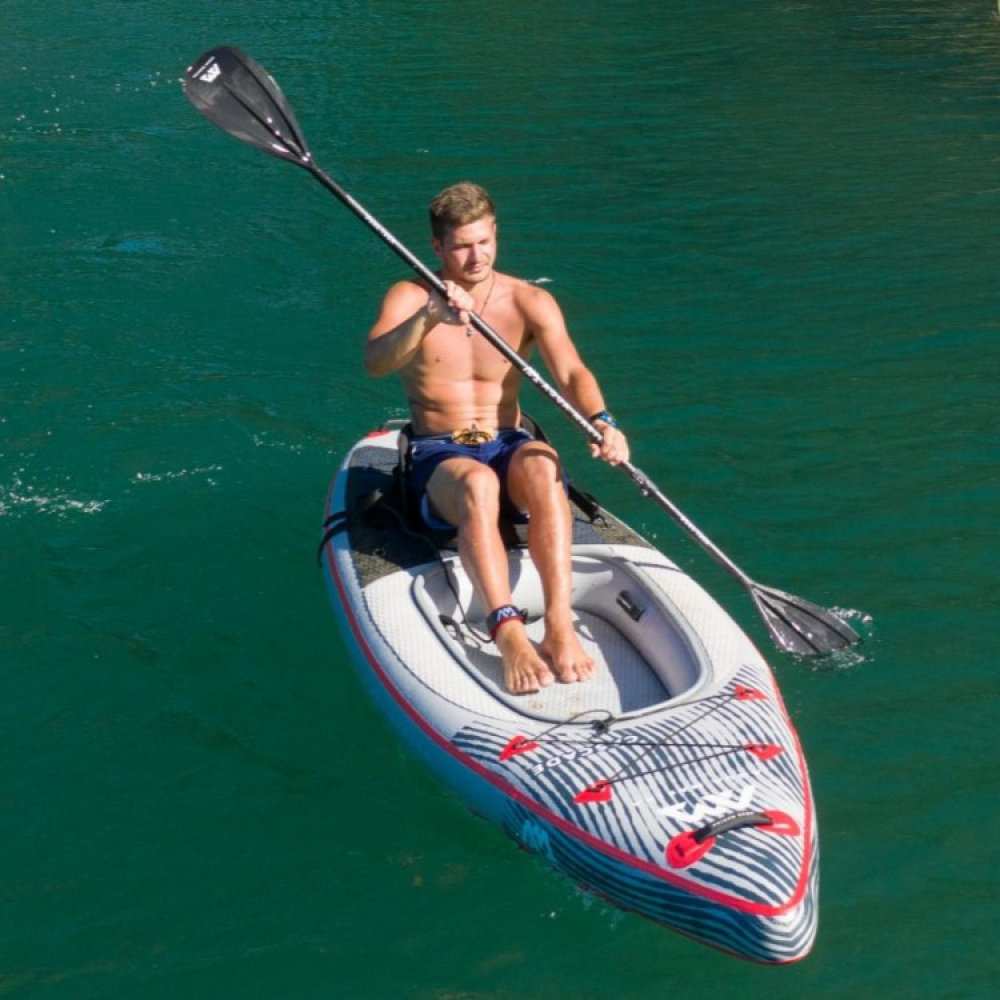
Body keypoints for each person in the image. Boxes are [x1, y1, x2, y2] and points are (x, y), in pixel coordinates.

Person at [365, 182, 629, 695]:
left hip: (506, 438)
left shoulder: (528, 300)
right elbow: (376, 362)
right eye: (462, 245)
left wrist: (603, 421)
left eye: (485, 241)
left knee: (544, 466)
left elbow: (571, 371)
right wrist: (426, 320)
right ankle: (508, 633)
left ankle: (556, 625)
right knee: (477, 485)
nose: (476, 255)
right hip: (438, 452)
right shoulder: (411, 295)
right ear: (437, 247)